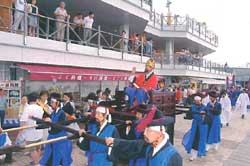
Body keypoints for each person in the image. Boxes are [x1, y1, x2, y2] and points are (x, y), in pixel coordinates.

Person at [106, 118, 183, 166]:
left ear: (161, 132)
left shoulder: (173, 156)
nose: (144, 134)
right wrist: (114, 141)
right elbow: (133, 145)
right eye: (144, 130)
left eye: (149, 131)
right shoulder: (149, 148)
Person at [40, 93, 73, 166]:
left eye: (52, 102)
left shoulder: (62, 113)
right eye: (51, 102)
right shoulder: (53, 112)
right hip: (52, 136)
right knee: (49, 156)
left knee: (60, 157)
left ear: (57, 103)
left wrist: (51, 121)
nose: (51, 104)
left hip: (59, 138)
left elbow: (61, 125)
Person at [19, 92, 44, 165]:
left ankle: (36, 163)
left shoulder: (27, 108)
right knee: (38, 148)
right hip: (39, 131)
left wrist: (19, 133)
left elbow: (23, 122)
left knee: (32, 149)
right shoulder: (40, 108)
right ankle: (37, 161)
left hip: (30, 132)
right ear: (36, 100)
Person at [182, 95, 208, 161]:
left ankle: (201, 152)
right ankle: (193, 154)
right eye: (195, 101)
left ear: (200, 101)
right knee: (194, 138)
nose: (197, 103)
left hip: (202, 125)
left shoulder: (204, 107)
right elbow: (189, 115)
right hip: (195, 125)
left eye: (198, 101)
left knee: (202, 138)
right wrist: (186, 116)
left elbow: (208, 117)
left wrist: (204, 115)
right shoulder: (192, 107)